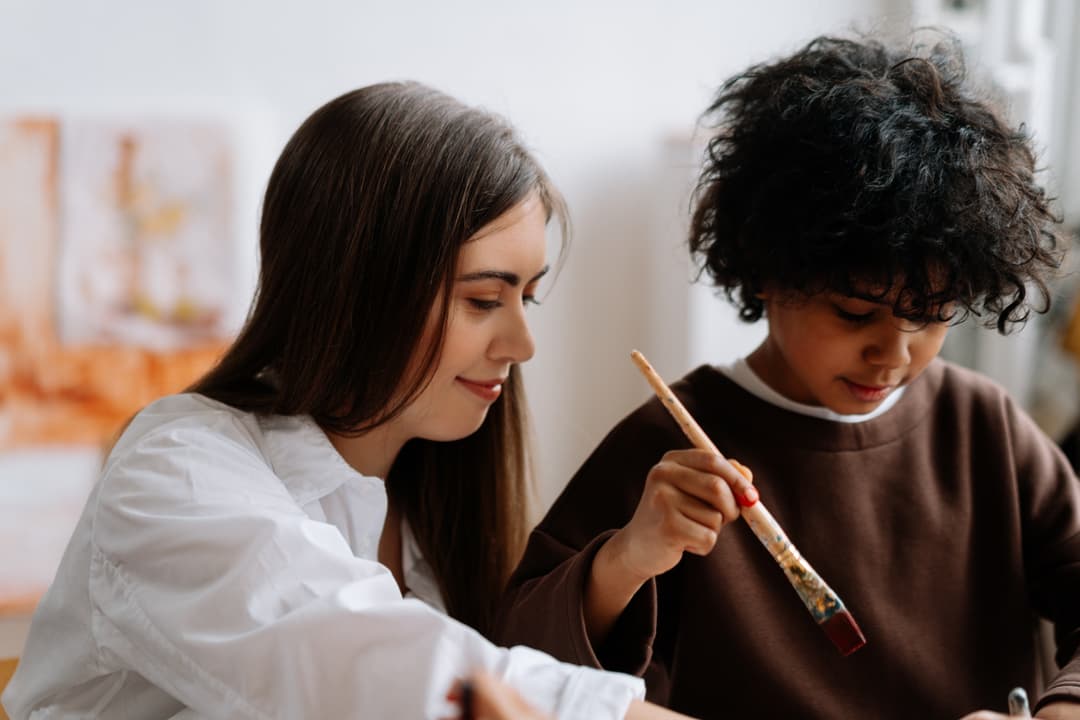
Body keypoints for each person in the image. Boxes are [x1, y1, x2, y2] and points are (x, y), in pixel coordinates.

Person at [1, 82, 691, 720]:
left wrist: (624, 565)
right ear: (361, 291)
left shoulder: (434, 506)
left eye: (527, 295)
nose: (522, 343)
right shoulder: (174, 469)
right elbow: (388, 671)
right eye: (484, 299)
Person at [494, 33, 1080, 720]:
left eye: (931, 316)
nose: (893, 353)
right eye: (856, 313)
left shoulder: (984, 427)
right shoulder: (675, 447)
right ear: (770, 270)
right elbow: (521, 661)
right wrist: (626, 558)